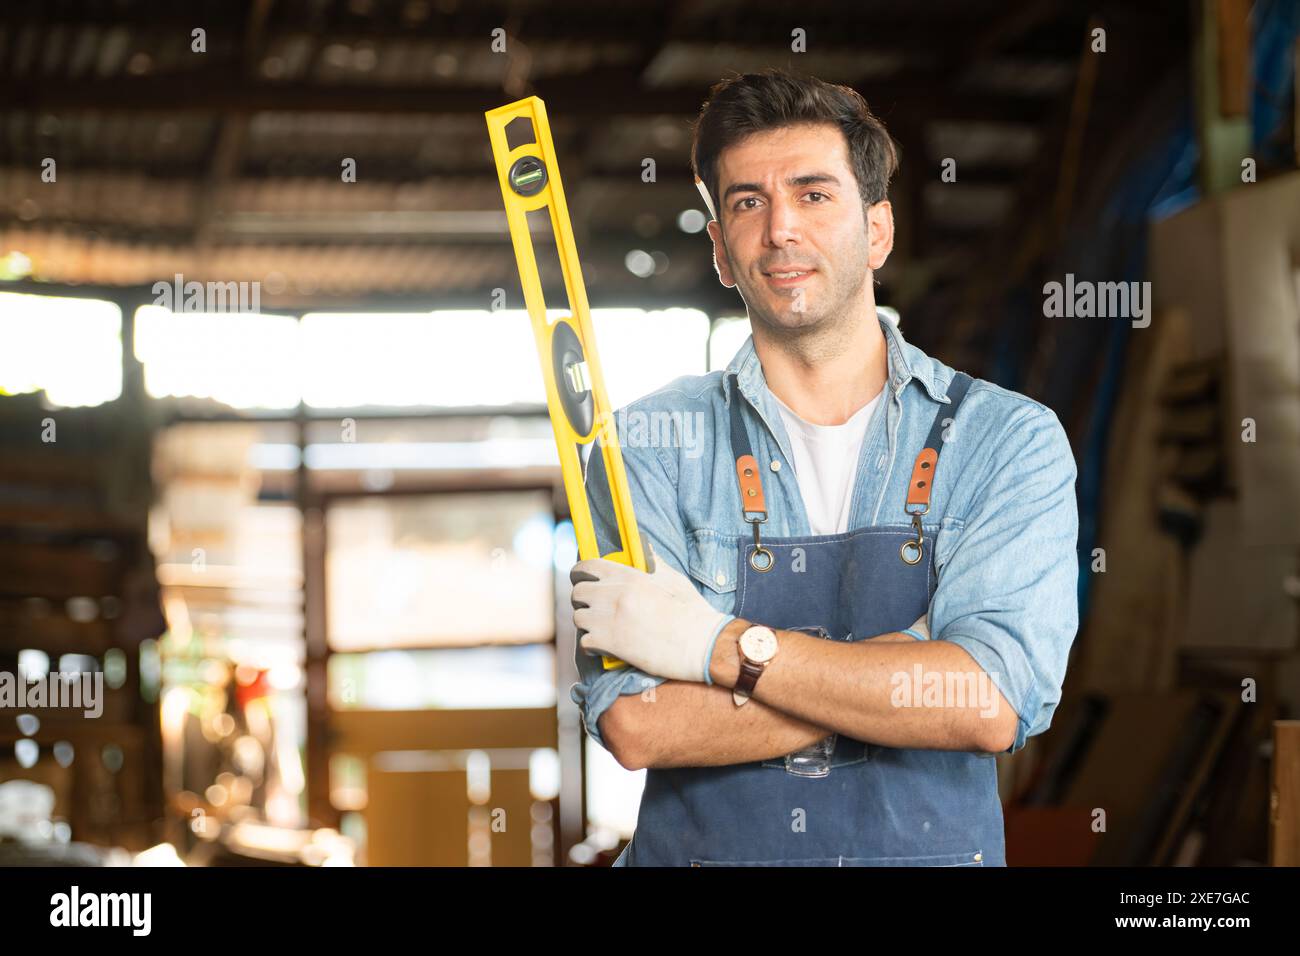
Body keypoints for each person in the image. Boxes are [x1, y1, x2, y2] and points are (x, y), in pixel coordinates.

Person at [570, 68, 1079, 867]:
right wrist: (903, 670)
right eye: (747, 202)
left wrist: (715, 647)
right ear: (720, 252)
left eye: (814, 195)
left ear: (877, 230)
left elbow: (989, 703)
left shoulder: (1006, 440)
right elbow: (639, 726)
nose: (780, 230)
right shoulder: (646, 445)